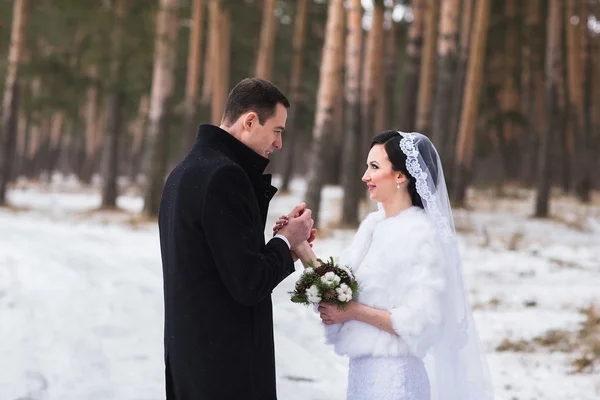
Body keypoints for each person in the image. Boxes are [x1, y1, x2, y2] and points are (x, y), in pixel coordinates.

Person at [274, 131, 494, 400]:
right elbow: (340, 288)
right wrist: (298, 245)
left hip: (395, 380)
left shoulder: (421, 235)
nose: (365, 176)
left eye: (374, 167)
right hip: (362, 376)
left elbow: (421, 322)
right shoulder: (372, 226)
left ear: (401, 176)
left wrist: (353, 311)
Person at [158, 78, 315, 400]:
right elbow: (248, 283)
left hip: (192, 355)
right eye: (277, 130)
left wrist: (286, 245)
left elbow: (220, 264)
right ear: (250, 121)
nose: (279, 144)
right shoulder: (223, 176)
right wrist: (285, 240)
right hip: (225, 365)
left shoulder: (185, 171)